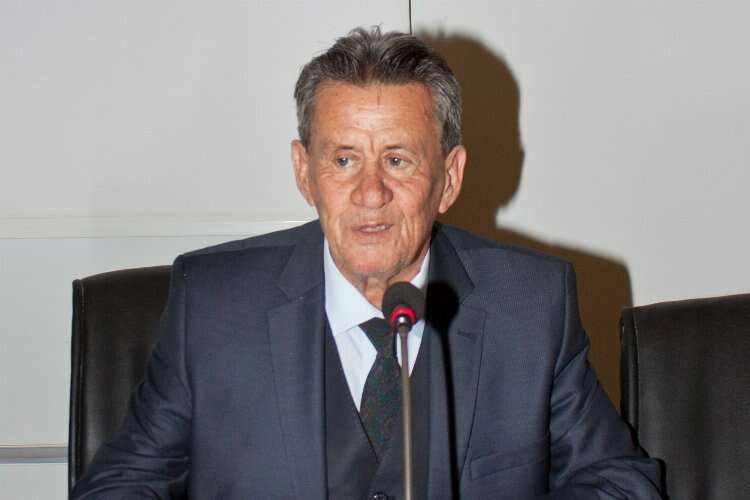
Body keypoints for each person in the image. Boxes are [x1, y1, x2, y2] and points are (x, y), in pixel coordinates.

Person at [72, 27, 663, 499]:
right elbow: (120, 485)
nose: (370, 192)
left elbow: (620, 483)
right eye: (344, 160)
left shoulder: (530, 305)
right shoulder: (213, 305)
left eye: (398, 160)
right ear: (304, 172)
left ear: (449, 177)